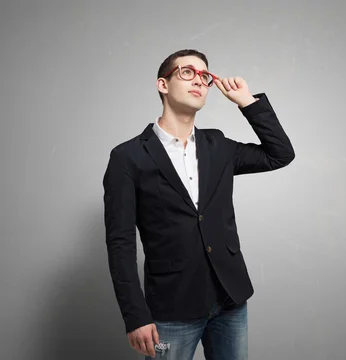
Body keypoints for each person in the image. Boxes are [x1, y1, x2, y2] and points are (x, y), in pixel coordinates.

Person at [102, 49, 295, 359]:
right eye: (187, 72)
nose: (199, 81)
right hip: (170, 310)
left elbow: (280, 154)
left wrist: (246, 101)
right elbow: (120, 244)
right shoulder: (127, 158)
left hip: (230, 302)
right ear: (163, 85)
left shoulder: (217, 145)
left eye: (205, 76)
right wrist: (135, 316)